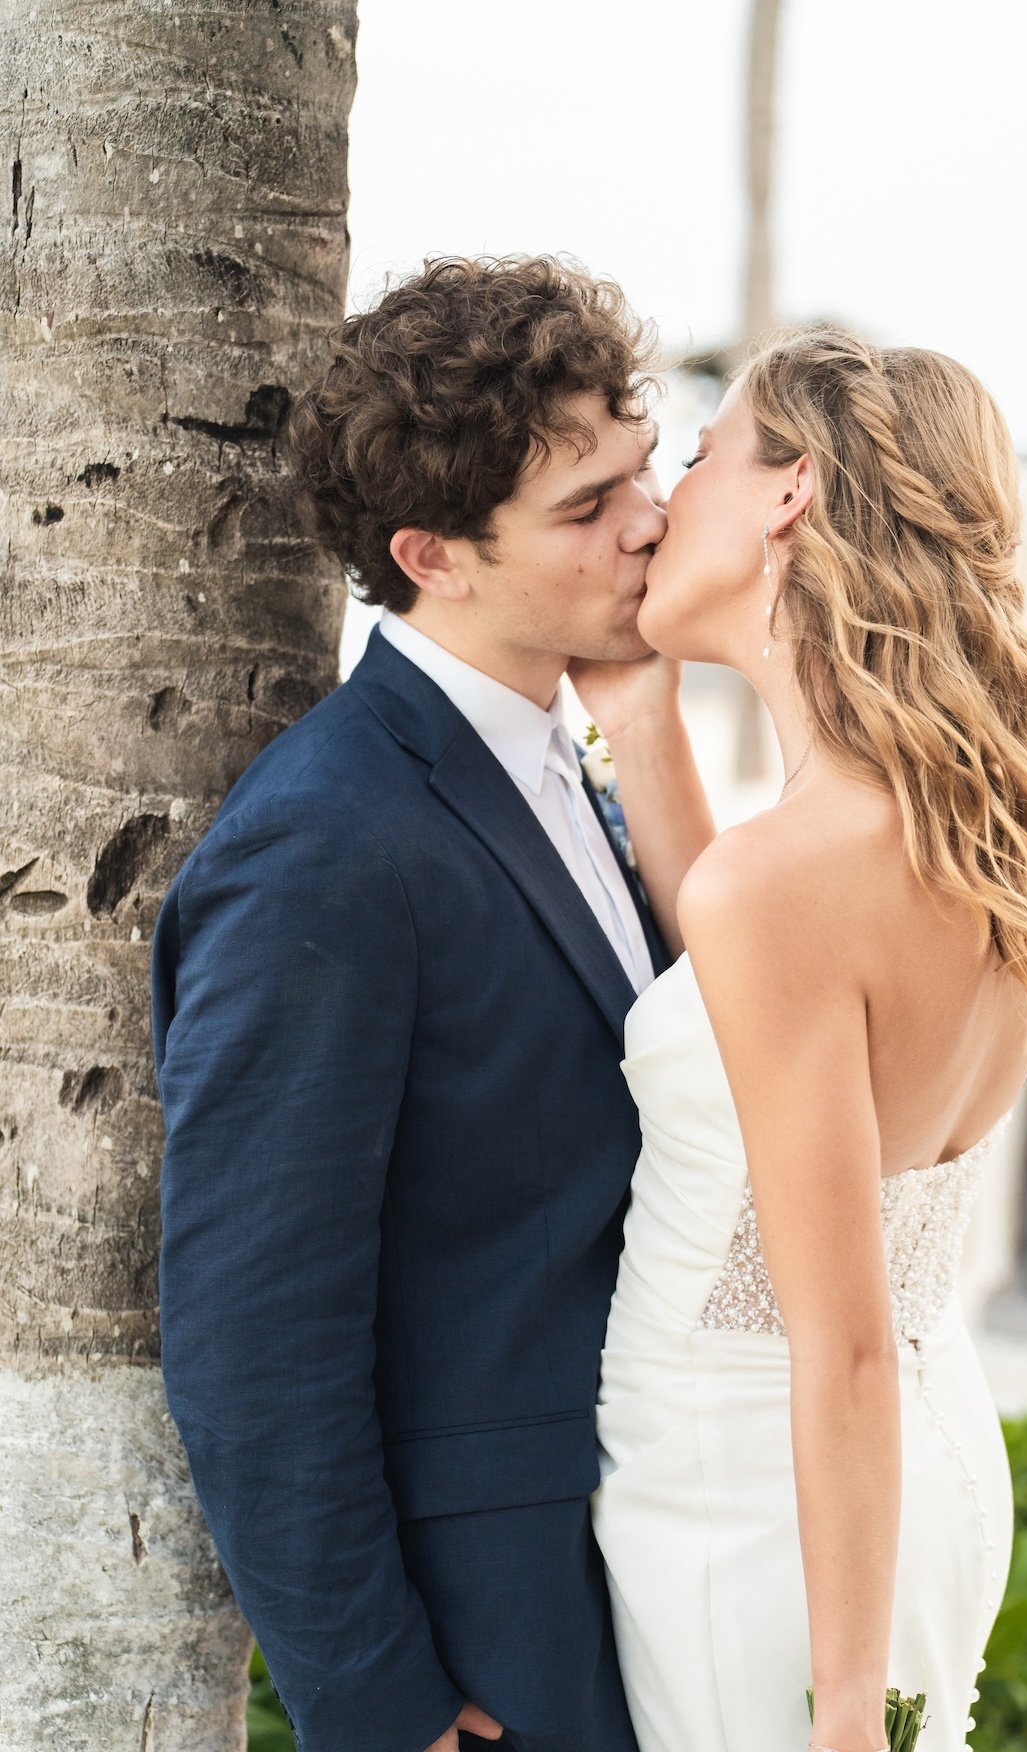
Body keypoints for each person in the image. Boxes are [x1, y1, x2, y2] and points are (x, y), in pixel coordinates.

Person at [151, 256, 708, 1752]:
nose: (648, 519)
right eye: (585, 508)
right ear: (435, 554)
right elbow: (251, 1334)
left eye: (641, 469)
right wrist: (380, 1698)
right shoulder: (324, 840)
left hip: (643, 1547)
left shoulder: (559, 766)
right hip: (490, 1624)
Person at [585, 326, 1027, 1752]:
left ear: (788, 494)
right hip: (913, 1474)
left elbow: (838, 1349)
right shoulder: (982, 827)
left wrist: (841, 1716)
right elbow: (772, 1016)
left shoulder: (787, 883)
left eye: (700, 457)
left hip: (767, 1510)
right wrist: (647, 729)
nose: (660, 504)